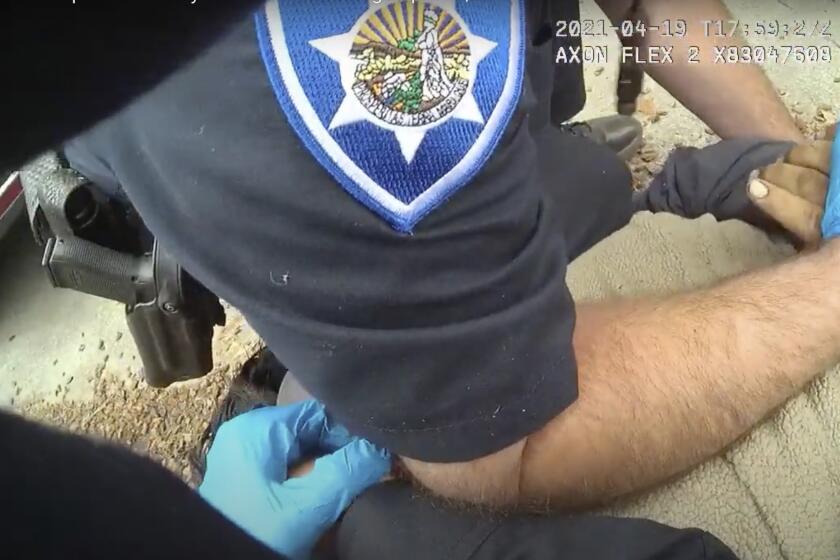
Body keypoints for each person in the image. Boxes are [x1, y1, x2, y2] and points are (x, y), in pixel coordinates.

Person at [57, 0, 837, 510]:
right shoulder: (324, 68)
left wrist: (787, 154)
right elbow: (505, 448)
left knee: (578, 179)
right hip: (247, 125)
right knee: (421, 484)